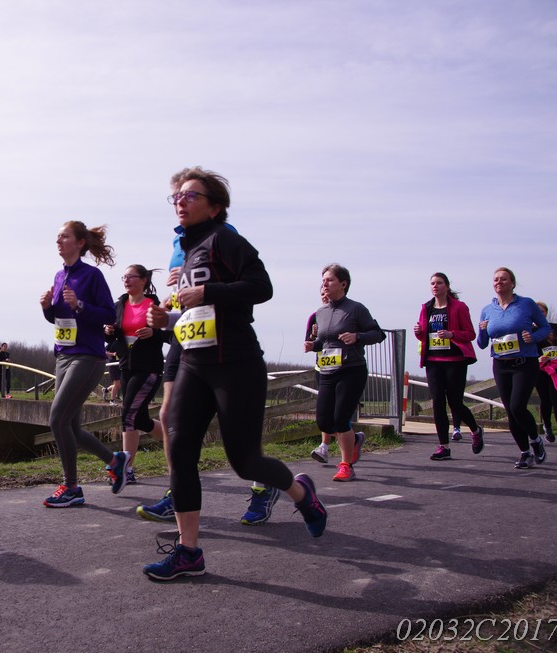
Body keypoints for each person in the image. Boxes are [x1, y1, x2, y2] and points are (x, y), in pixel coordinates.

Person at [144, 167, 327, 580]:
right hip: (193, 362)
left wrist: (207, 291)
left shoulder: (224, 239)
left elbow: (262, 287)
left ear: (215, 207)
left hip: (236, 364)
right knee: (179, 450)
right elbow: (194, 313)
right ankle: (189, 551)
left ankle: (301, 493)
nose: (180, 201)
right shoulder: (187, 251)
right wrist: (165, 320)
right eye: (177, 196)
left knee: (245, 462)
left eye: (191, 195)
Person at [39, 220, 128, 507]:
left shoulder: (92, 276)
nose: (58, 241)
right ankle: (114, 461)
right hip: (63, 356)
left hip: (88, 356)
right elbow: (59, 319)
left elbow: (109, 315)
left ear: (79, 243)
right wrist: (47, 308)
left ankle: (71, 486)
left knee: (57, 419)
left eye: (64, 236)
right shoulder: (58, 276)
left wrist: (80, 305)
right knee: (72, 428)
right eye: (57, 237)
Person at [306, 264, 384, 482]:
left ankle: (346, 465)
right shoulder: (321, 313)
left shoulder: (356, 309)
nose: (324, 284)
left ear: (343, 284)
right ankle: (354, 440)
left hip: (352, 370)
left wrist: (357, 336)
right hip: (327, 371)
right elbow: (325, 341)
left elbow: (378, 334)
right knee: (324, 422)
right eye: (323, 280)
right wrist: (313, 345)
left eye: (329, 280)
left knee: (341, 419)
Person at [477, 267, 550, 468]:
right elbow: (482, 343)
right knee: (511, 412)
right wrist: (483, 330)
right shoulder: (487, 310)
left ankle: (535, 440)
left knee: (517, 406)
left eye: (503, 279)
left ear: (512, 283)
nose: (499, 282)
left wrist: (533, 337)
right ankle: (525, 453)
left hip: (524, 363)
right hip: (501, 365)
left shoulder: (526, 304)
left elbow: (545, 327)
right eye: (496, 279)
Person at [105, 264, 168, 486]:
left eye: (131, 276)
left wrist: (154, 332)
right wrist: (108, 331)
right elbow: (110, 335)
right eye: (124, 277)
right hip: (126, 366)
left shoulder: (154, 305)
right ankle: (176, 441)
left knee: (128, 415)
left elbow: (170, 333)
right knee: (139, 419)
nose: (126, 280)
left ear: (143, 280)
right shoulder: (119, 305)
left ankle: (126, 469)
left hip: (148, 368)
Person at [413, 272, 483, 460]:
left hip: (455, 361)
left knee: (455, 403)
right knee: (437, 402)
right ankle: (443, 446)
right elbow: (424, 335)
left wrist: (452, 334)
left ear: (447, 286)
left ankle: (476, 430)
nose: (435, 286)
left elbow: (470, 334)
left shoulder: (459, 307)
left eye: (439, 283)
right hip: (433, 361)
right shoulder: (426, 308)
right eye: (432, 283)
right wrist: (418, 332)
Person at [534, 302, 557, 445]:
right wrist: (538, 359)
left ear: (546, 313)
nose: (540, 313)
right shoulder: (529, 329)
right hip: (541, 368)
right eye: (537, 311)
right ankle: (547, 427)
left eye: (542, 311)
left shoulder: (554, 327)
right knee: (546, 400)